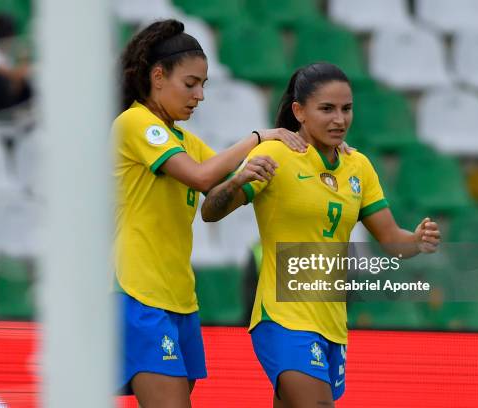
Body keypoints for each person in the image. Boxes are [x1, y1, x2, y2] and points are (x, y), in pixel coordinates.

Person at [111, 19, 338, 407]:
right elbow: (200, 178)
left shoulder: (186, 140)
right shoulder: (136, 123)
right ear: (158, 76)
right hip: (137, 291)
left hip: (179, 296)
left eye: (204, 85)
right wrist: (257, 138)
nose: (199, 95)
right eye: (191, 83)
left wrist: (313, 158)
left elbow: (218, 197)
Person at [201, 62, 441, 407]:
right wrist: (238, 180)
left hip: (332, 323)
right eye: (327, 109)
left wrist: (417, 241)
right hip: (283, 318)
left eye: (346, 109)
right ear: (299, 111)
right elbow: (210, 212)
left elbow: (392, 241)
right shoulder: (275, 154)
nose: (339, 120)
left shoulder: (358, 166)